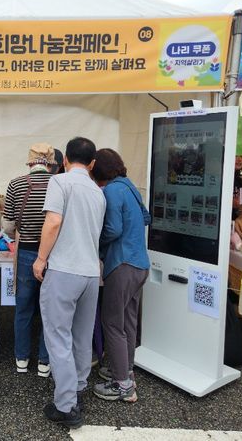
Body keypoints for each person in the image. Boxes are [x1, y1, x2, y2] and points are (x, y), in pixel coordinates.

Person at [34, 137, 105, 429]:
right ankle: (77, 389)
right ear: (92, 163)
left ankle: (65, 405)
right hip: (90, 273)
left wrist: (40, 259)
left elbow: (53, 222)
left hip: (64, 269)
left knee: (58, 336)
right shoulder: (98, 192)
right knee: (81, 335)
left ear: (64, 160)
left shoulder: (60, 182)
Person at [91, 148, 149, 403]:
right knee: (128, 322)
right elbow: (146, 217)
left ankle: (122, 385)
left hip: (121, 264)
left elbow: (113, 229)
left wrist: (96, 243)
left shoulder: (112, 190)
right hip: (140, 264)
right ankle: (125, 370)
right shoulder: (130, 186)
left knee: (112, 323)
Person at [2, 143, 56, 377]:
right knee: (49, 311)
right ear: (50, 162)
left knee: (23, 308)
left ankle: (21, 359)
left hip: (25, 251)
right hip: (52, 255)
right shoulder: (58, 183)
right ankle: (44, 362)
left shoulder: (16, 184)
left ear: (30, 161)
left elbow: (7, 226)